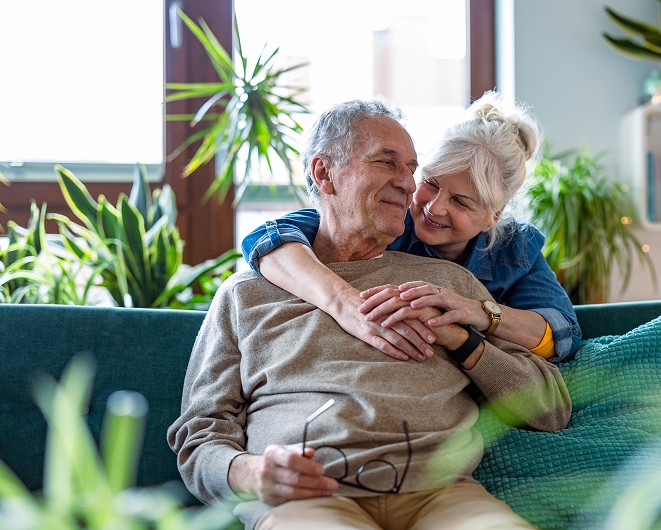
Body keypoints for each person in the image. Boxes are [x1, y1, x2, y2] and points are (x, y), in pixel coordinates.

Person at [168, 100, 571, 530]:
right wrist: (251, 473)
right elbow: (200, 434)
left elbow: (551, 403)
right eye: (387, 163)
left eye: (412, 168)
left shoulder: (449, 284)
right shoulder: (249, 291)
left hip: (444, 496)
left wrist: (467, 340)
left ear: (492, 216)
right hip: (310, 500)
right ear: (324, 174)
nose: (410, 186)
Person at [241, 91, 581, 366]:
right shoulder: (387, 220)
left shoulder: (515, 248)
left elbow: (562, 333)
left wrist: (477, 310)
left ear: (495, 214)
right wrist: (345, 304)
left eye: (461, 202)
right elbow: (268, 240)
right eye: (430, 184)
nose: (434, 207)